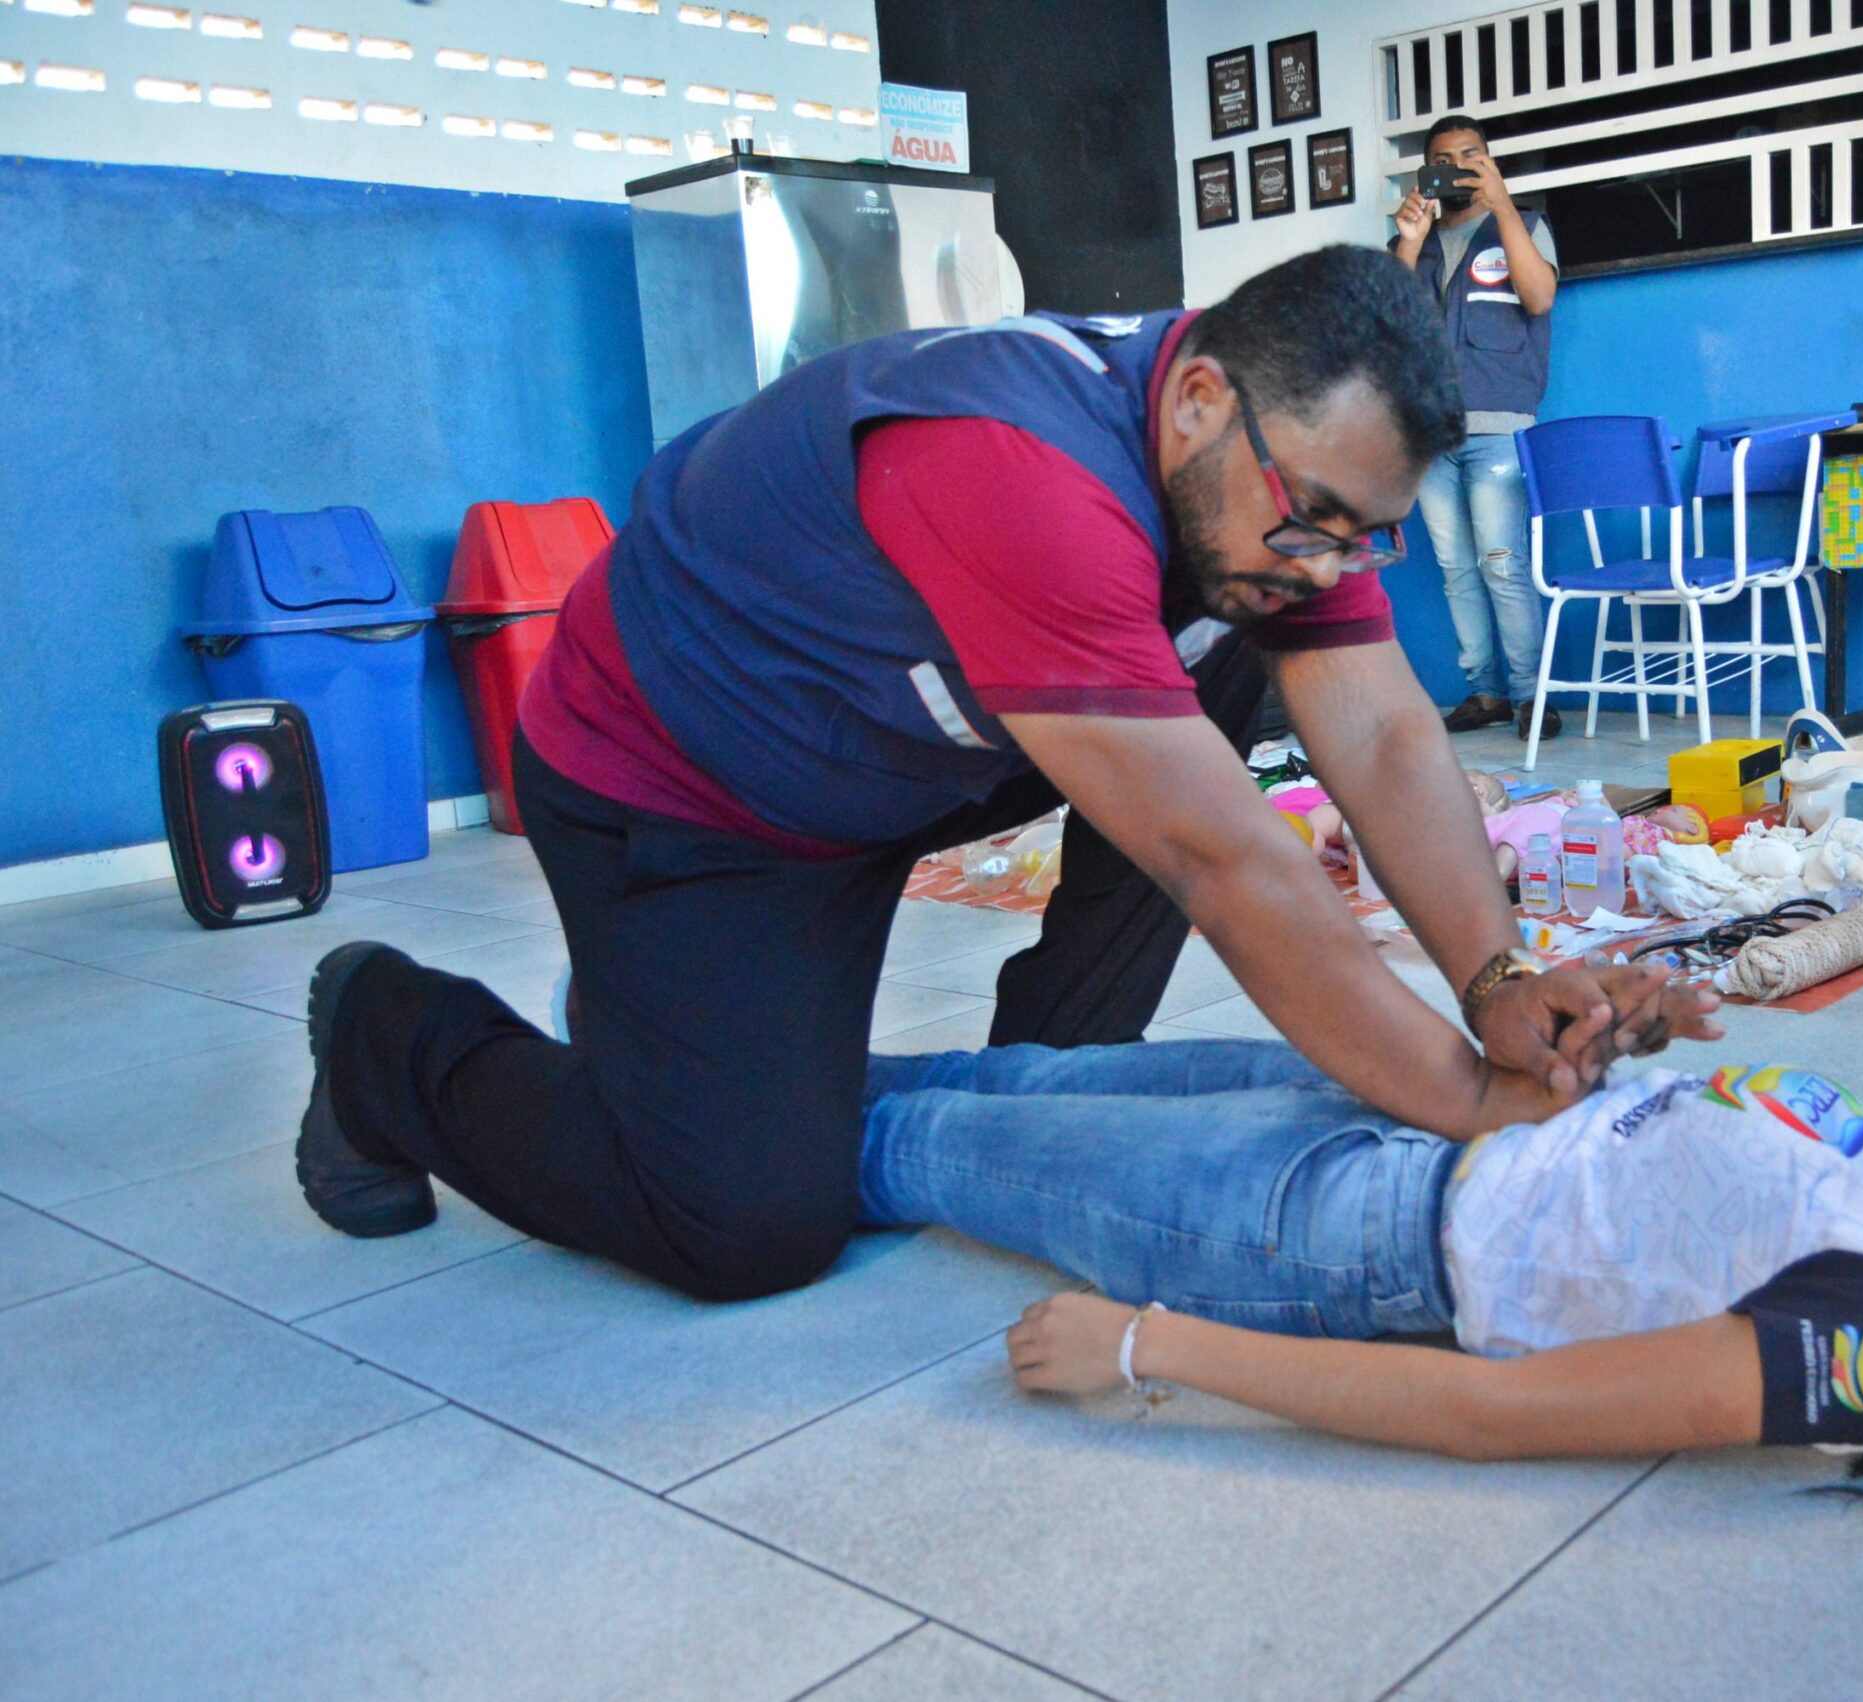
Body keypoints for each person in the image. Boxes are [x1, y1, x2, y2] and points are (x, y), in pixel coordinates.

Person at [295, 245, 1715, 1300]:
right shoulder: (1019, 469)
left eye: (1369, 535)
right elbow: (1218, 858)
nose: (1335, 563)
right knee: (744, 1224)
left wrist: (1494, 980)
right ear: (1199, 396)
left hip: (895, 746)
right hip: (688, 789)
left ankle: (1041, 1065)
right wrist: (1467, 1101)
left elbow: (1390, 732)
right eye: (1320, 520)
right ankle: (384, 1034)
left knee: (1242, 630)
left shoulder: (1257, 470)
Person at [859, 1044, 1863, 1533]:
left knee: (908, 1144)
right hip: (1426, 1106)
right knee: (1007, 1075)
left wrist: (1149, 1344)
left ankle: (703, 1152)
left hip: (1338, 1223)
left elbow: (1496, 1413)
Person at [1391, 115, 1562, 743]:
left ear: (1489, 162)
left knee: (1502, 563)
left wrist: (1503, 204)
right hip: (1429, 433)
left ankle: (1532, 696)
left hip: (1498, 426)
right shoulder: (1415, 241)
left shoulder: (1524, 224)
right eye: (1444, 158)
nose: (1458, 166)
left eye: (1471, 155)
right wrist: (1409, 242)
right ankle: (1486, 693)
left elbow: (1539, 298)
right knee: (1456, 569)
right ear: (1426, 171)